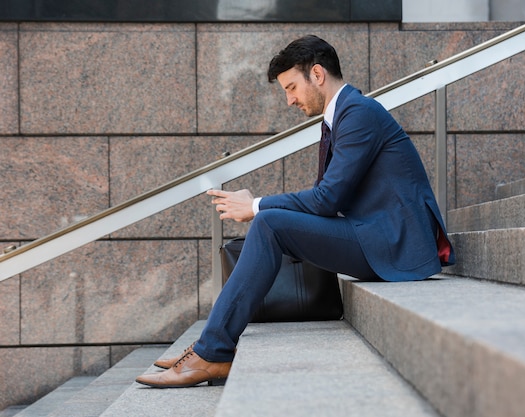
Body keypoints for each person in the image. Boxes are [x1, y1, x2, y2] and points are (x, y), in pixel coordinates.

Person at [135, 34, 455, 388]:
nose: (289, 100)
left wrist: (256, 205)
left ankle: (212, 351)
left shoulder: (359, 113)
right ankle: (211, 345)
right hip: (373, 234)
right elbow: (324, 199)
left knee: (270, 222)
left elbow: (326, 199)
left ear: (316, 74)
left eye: (291, 87)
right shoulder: (339, 117)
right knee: (271, 222)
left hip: (394, 244)